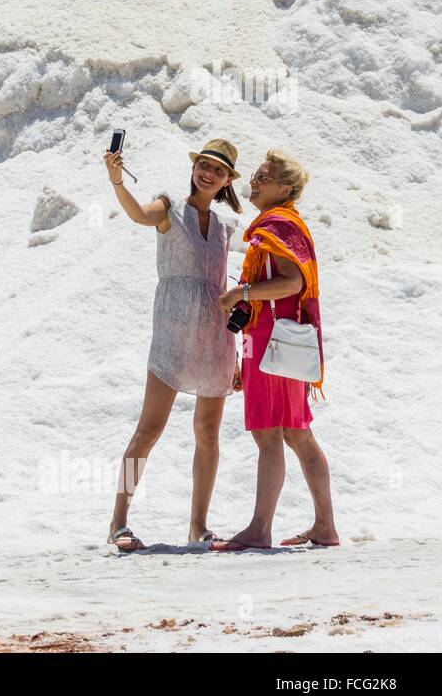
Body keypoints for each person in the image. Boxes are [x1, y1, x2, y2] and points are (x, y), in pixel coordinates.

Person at [105, 138, 243, 552]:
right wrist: (116, 181)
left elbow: (223, 288)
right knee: (148, 429)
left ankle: (198, 527)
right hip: (171, 330)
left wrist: (236, 354)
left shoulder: (223, 225)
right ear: (195, 167)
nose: (208, 173)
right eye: (204, 164)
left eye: (218, 170)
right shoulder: (167, 207)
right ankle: (117, 522)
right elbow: (137, 215)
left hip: (216, 336)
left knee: (208, 432)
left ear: (225, 181)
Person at [212, 150, 337, 551]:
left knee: (270, 433)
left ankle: (259, 530)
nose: (254, 181)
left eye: (263, 177)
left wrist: (241, 292)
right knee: (296, 433)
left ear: (285, 189)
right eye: (255, 174)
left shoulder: (279, 223)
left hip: (273, 340)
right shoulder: (281, 223)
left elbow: (290, 284)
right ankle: (324, 527)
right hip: (275, 341)